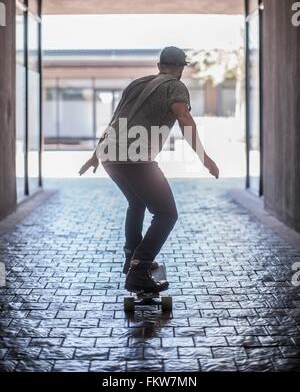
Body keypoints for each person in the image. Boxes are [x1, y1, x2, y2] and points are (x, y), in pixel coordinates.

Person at [79, 46, 219, 293]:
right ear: (181, 68)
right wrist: (204, 157)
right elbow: (184, 118)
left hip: (110, 156)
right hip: (136, 159)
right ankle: (139, 270)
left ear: (158, 65)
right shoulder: (175, 86)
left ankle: (132, 256)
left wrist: (95, 155)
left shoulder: (136, 84)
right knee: (167, 214)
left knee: (136, 202)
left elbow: (116, 120)